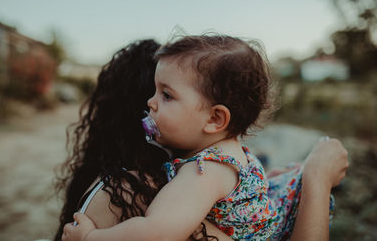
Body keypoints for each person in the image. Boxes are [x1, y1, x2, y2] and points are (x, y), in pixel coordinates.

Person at [61, 35, 348, 241]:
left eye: (166, 94)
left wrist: (91, 237)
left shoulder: (202, 173)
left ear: (214, 119)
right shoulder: (230, 150)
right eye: (154, 91)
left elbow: (156, 232)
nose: (151, 103)